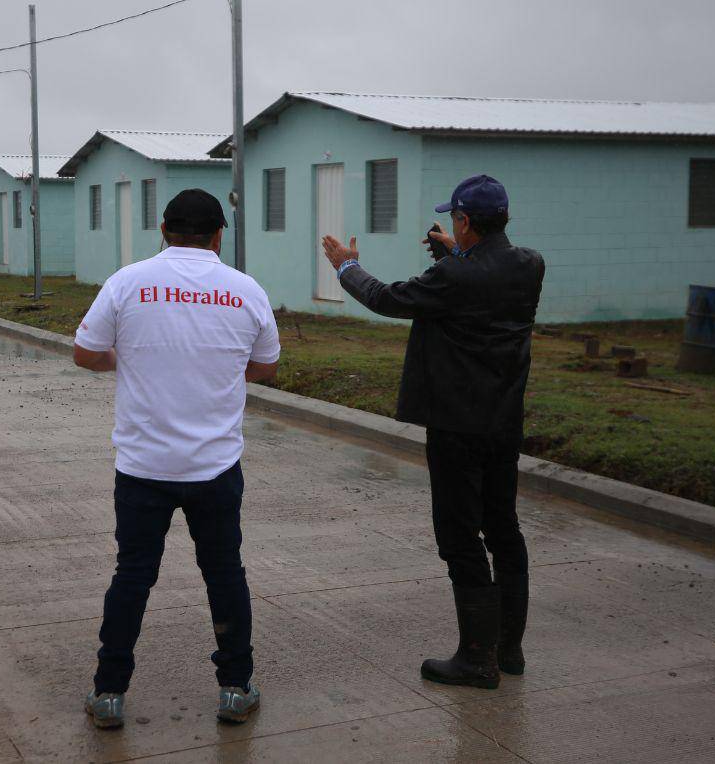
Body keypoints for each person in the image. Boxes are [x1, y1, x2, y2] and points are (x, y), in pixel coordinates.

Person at [321, 174, 544, 689]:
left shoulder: (455, 280)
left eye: (454, 221)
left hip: (455, 427)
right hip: (503, 424)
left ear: (464, 221)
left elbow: (384, 298)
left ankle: (475, 660)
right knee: (504, 530)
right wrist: (453, 255)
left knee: (460, 536)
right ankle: (509, 651)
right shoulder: (530, 265)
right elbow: (482, 281)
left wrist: (345, 266)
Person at [73, 188, 280, 729]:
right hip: (215, 467)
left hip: (143, 467)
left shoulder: (128, 282)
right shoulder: (246, 290)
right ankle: (235, 688)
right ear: (219, 235)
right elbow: (265, 367)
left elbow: (86, 353)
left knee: (133, 576)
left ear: (163, 229)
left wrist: (129, 360)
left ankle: (109, 693)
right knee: (224, 574)